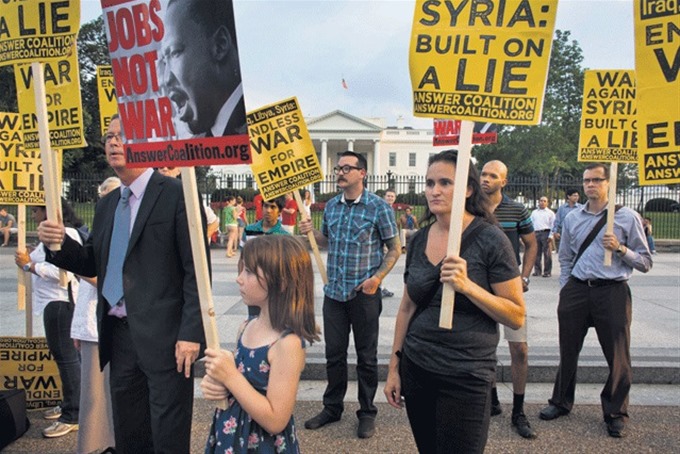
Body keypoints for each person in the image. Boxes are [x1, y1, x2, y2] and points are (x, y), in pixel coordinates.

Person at [37, 115, 207, 454]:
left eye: (123, 135)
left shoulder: (176, 195)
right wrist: (58, 245)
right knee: (129, 432)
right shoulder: (107, 205)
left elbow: (197, 273)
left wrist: (191, 333)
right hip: (118, 335)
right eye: (109, 136)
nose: (113, 142)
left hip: (166, 338)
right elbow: (93, 262)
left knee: (168, 433)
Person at [384, 150, 525, 453]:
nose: (435, 191)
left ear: (468, 188)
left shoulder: (491, 239)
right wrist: (394, 367)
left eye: (445, 183)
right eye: (430, 183)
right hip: (418, 367)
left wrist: (468, 287)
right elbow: (407, 307)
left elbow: (516, 315)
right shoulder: (419, 238)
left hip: (466, 374)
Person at [539, 163, 652, 439]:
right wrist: (566, 287)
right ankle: (561, 402)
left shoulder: (626, 217)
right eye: (586, 180)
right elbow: (565, 256)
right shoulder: (573, 218)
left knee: (617, 354)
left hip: (612, 290)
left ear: (608, 183)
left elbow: (645, 261)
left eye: (596, 180)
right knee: (568, 350)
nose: (590, 185)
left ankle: (615, 412)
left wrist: (621, 249)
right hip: (577, 289)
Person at [298, 151, 400, 439]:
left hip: (364, 294)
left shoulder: (378, 207)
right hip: (335, 294)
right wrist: (311, 232)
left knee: (366, 357)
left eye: (346, 168)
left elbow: (394, 248)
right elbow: (326, 239)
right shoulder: (331, 206)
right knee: (334, 355)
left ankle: (367, 412)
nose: (339, 172)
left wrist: (377, 279)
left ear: (362, 173)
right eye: (337, 167)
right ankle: (332, 408)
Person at [201, 235, 320, 453]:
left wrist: (230, 376)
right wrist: (219, 385)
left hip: (262, 444)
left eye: (248, 271)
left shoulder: (288, 344)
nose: (239, 278)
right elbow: (241, 386)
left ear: (281, 281)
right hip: (232, 436)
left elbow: (276, 420)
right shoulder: (246, 326)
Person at [15, 201, 83, 438]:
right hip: (54, 303)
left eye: (35, 210)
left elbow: (64, 271)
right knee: (68, 358)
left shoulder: (66, 233)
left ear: (47, 211)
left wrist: (29, 266)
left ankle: (73, 414)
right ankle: (70, 404)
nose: (33, 216)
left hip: (60, 302)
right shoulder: (56, 235)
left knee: (67, 359)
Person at [480, 159, 538, 439]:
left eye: (493, 176)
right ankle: (491, 399)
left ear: (504, 181)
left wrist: (524, 277)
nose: (485, 179)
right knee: (482, 346)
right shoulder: (471, 208)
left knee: (520, 349)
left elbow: (532, 243)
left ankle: (519, 409)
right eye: (483, 174)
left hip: (509, 287)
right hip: (479, 287)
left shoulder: (516, 209)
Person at [70, 177, 119, 453]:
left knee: (112, 395)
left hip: (113, 323)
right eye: (104, 197)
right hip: (92, 325)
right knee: (93, 396)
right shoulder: (98, 232)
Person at [160, 0, 246, 138]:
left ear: (220, 45)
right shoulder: (196, 146)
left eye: (175, 53)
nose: (166, 79)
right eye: (164, 62)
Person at [157, 166, 220, 243]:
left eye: (170, 166)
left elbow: (214, 222)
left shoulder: (187, 193)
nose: (165, 169)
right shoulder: (151, 194)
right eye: (161, 166)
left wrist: (200, 242)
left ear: (179, 170)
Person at [531, 196, 556, 277]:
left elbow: (553, 225)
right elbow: (531, 223)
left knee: (547, 253)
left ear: (547, 203)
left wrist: (551, 236)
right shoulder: (534, 212)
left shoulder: (550, 213)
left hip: (546, 233)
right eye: (541, 201)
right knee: (536, 253)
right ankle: (537, 271)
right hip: (536, 233)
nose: (542, 202)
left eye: (544, 201)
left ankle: (547, 271)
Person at [381, 189, 398, 298]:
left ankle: (381, 287)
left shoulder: (391, 209)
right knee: (380, 264)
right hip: (382, 241)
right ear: (384, 197)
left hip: (387, 241)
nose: (390, 198)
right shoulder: (382, 208)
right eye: (388, 196)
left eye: (392, 196)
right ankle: (380, 288)